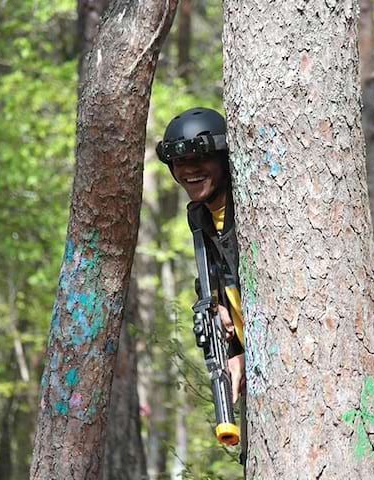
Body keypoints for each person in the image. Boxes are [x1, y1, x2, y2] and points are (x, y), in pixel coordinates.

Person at [156, 106, 246, 461]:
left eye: (201, 158)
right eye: (180, 162)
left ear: (224, 159)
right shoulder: (200, 217)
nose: (190, 170)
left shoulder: (251, 209)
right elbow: (212, 280)